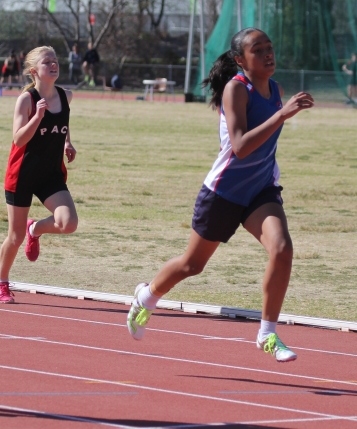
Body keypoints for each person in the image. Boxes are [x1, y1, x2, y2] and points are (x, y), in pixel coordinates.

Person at [125, 28, 314, 363]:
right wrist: (282, 114)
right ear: (241, 60)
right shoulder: (236, 89)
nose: (269, 54)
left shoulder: (275, 90)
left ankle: (267, 334)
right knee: (191, 265)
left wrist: (279, 110)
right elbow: (240, 147)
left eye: (270, 48)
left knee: (282, 248)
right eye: (259, 50)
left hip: (260, 190)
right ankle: (147, 296)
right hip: (223, 191)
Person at [0, 46, 78, 304]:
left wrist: (66, 142)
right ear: (34, 72)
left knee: (68, 223)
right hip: (23, 174)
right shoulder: (27, 100)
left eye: (55, 60)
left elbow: (62, 122)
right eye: (47, 62)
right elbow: (18, 139)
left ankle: (36, 229)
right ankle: (0, 282)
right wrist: (38, 116)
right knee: (15, 237)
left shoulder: (66, 96)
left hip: (50, 173)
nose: (53, 64)